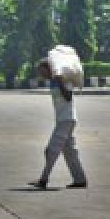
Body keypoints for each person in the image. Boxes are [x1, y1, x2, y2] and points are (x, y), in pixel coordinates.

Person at [29, 58, 88, 190]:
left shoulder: (63, 79)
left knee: (51, 150)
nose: (41, 74)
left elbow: (68, 97)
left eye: (42, 71)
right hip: (63, 119)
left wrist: (61, 81)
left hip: (66, 120)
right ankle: (80, 179)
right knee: (70, 152)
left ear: (49, 68)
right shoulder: (53, 81)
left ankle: (43, 180)